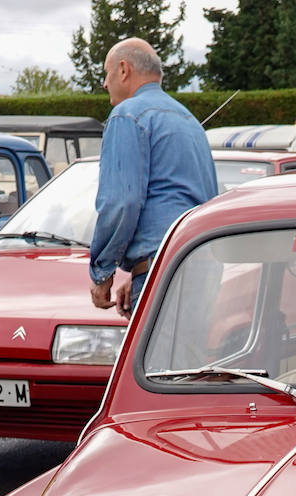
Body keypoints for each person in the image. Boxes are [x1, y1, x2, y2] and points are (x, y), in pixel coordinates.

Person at [89, 37, 217, 317]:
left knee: (153, 363)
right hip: (199, 268)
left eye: (106, 73)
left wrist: (103, 271)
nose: (104, 83)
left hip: (161, 276)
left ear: (123, 70)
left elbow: (121, 201)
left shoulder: (126, 115)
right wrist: (136, 273)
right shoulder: (189, 121)